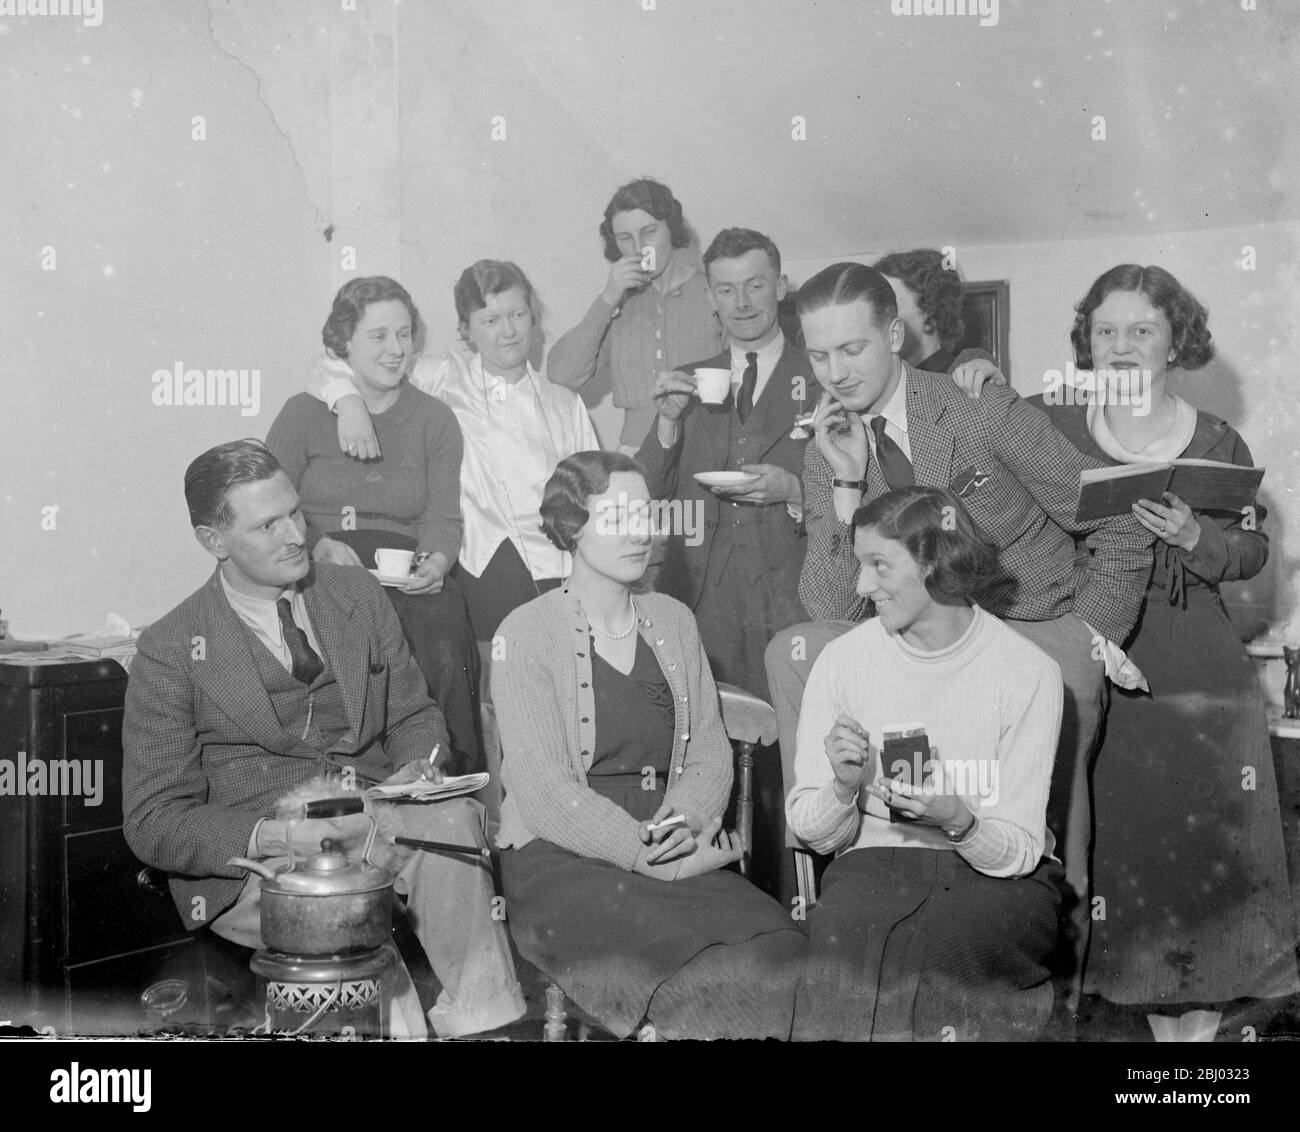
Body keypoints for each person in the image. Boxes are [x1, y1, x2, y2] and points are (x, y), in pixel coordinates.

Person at [766, 262, 1154, 1004]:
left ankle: (1055, 974)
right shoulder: (826, 448)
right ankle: (836, 858)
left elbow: (1120, 520)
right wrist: (846, 485)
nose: (835, 373)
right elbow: (830, 609)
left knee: (1064, 692)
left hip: (1033, 623)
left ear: (893, 334)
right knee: (801, 650)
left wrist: (1092, 634)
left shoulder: (978, 409)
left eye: (852, 350)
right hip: (922, 647)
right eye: (818, 356)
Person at [121, 440, 524, 1039]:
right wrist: (273, 834)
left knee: (451, 820)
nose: (294, 535)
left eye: (295, 513)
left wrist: (418, 770)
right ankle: (394, 1028)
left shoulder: (356, 595)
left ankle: (486, 1019)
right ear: (213, 541)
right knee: (336, 911)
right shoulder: (171, 648)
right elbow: (153, 819)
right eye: (267, 524)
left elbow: (413, 711)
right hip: (267, 860)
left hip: (377, 815)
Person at [1030, 264, 1299, 1039]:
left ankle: (1205, 1042)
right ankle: (1148, 1031)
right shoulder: (1055, 425)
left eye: (1141, 330)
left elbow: (1251, 553)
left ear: (1175, 340)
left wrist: (1197, 536)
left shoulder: (1218, 439)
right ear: (1087, 341)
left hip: (1196, 666)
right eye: (1105, 330)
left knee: (1206, 850)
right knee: (1120, 848)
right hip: (1092, 651)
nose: (1121, 346)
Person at [493, 451, 806, 1040]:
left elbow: (711, 753)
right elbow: (543, 792)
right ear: (572, 525)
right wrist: (646, 857)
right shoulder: (526, 632)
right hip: (562, 857)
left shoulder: (673, 619)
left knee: (780, 950)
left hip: (670, 840)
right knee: (695, 973)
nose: (640, 532)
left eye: (645, 514)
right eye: (616, 517)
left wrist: (684, 824)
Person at [305, 260, 600, 823]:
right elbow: (336, 363)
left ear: (534, 318)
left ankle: (567, 814)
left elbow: (594, 492)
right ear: (466, 331)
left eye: (517, 315)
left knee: (567, 694)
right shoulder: (443, 377)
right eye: (489, 320)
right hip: (484, 563)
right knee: (494, 699)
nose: (508, 331)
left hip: (557, 563)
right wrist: (346, 403)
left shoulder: (564, 403)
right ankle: (500, 819)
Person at [788, 488, 1064, 1041]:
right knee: (847, 944)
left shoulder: (1027, 671)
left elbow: (1019, 851)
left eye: (879, 566)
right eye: (859, 564)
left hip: (997, 878)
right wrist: (842, 789)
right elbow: (811, 834)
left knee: (946, 949)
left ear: (934, 562)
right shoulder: (843, 663)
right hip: (874, 867)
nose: (862, 587)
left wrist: (958, 820)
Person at [266, 276, 481, 775]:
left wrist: (437, 561)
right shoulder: (303, 413)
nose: (396, 349)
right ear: (343, 342)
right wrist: (313, 546)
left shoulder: (435, 420)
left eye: (404, 335)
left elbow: (442, 516)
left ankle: (441, 777)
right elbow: (270, 508)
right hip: (320, 571)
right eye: (379, 336)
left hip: (404, 576)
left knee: (445, 622)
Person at [636, 227, 808, 702]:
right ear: (711, 296)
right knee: (711, 739)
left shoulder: (821, 376)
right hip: (699, 595)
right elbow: (646, 492)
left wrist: (795, 491)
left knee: (792, 738)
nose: (742, 302)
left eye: (755, 285)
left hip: (792, 595)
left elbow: (863, 492)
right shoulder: (687, 382)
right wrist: (667, 423)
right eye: (727, 289)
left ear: (779, 287)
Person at [546, 178, 726, 451]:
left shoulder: (711, 291)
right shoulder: (620, 304)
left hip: (704, 452)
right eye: (625, 238)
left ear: (672, 229)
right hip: (636, 453)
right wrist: (607, 298)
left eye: (649, 232)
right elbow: (562, 373)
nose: (639, 247)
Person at [873, 248, 995, 374]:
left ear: (930, 311)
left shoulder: (964, 379)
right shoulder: (889, 382)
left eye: (891, 304)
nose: (876, 318)